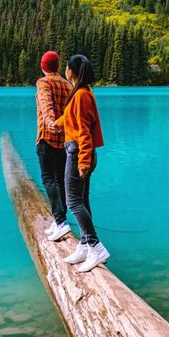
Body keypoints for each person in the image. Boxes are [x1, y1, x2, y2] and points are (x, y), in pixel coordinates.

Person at [55, 54, 110, 272]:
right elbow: (72, 118)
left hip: (79, 153)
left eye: (67, 68)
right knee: (82, 199)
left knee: (73, 201)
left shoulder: (82, 95)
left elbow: (85, 131)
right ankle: (85, 244)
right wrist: (57, 123)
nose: (65, 71)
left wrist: (83, 161)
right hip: (78, 151)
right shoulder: (80, 93)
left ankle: (96, 246)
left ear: (73, 71)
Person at [36, 50, 72, 242]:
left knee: (48, 179)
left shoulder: (43, 82)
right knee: (60, 180)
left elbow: (45, 103)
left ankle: (60, 222)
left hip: (47, 137)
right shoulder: (67, 84)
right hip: (64, 140)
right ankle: (60, 219)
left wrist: (50, 122)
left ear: (43, 66)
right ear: (57, 66)